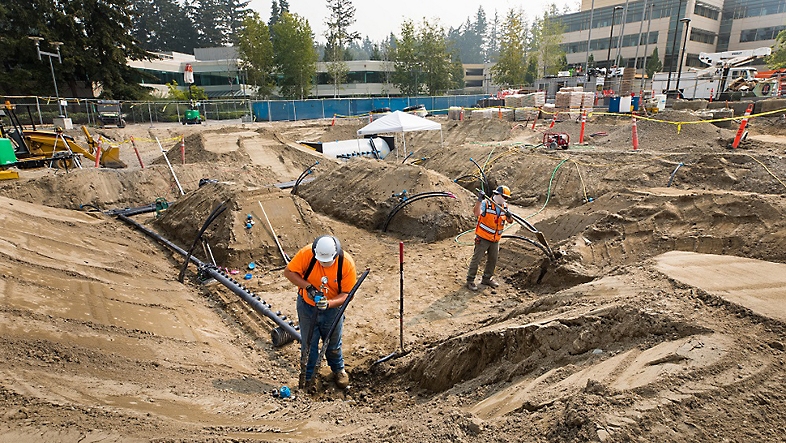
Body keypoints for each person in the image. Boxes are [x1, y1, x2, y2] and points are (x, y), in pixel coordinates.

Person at [284, 235, 357, 391]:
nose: (324, 264)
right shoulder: (306, 254)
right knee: (309, 344)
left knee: (333, 343)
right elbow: (289, 272)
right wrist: (308, 287)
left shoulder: (346, 264)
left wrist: (329, 303)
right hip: (307, 307)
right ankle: (309, 377)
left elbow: (347, 295)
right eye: (321, 261)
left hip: (333, 310)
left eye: (327, 261)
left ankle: (339, 370)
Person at [466, 185, 511, 291]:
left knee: (493, 260)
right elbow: (476, 213)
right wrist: (479, 200)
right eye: (504, 197)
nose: (505, 200)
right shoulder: (486, 204)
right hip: (483, 238)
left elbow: (510, 221)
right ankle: (470, 280)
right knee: (476, 259)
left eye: (507, 198)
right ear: (497, 194)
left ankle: (486, 278)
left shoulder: (504, 206)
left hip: (495, 239)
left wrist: (509, 216)